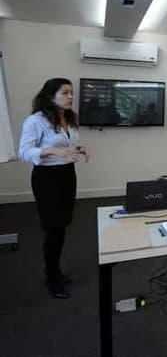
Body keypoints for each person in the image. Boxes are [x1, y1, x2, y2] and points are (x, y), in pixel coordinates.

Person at [18, 78, 90, 299]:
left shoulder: (68, 118)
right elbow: (24, 152)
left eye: (71, 93)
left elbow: (66, 145)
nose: (70, 97)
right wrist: (53, 151)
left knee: (62, 226)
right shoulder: (35, 121)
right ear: (51, 96)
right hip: (47, 179)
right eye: (65, 93)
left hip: (67, 175)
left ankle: (56, 271)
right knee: (54, 228)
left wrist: (79, 148)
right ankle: (51, 277)